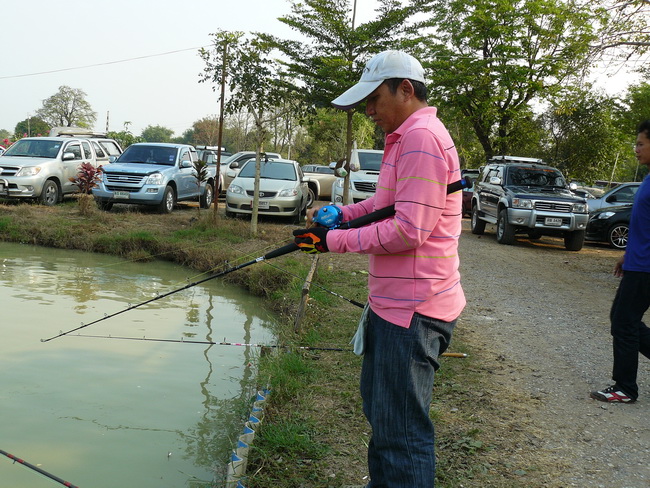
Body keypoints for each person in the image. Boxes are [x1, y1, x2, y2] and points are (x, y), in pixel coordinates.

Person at [292, 50, 466, 487]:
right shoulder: (405, 137)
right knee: (385, 420)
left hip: (412, 312)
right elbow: (386, 205)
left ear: (405, 90)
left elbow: (409, 230)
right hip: (395, 306)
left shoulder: (422, 138)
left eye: (374, 98)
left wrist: (333, 242)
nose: (368, 110)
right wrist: (343, 214)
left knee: (402, 435)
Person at [591, 120, 650, 404]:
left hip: (647, 268)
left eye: (640, 143)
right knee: (623, 320)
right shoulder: (649, 178)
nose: (636, 149)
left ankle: (625, 388)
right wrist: (627, 254)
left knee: (624, 323)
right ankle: (624, 385)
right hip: (638, 262)